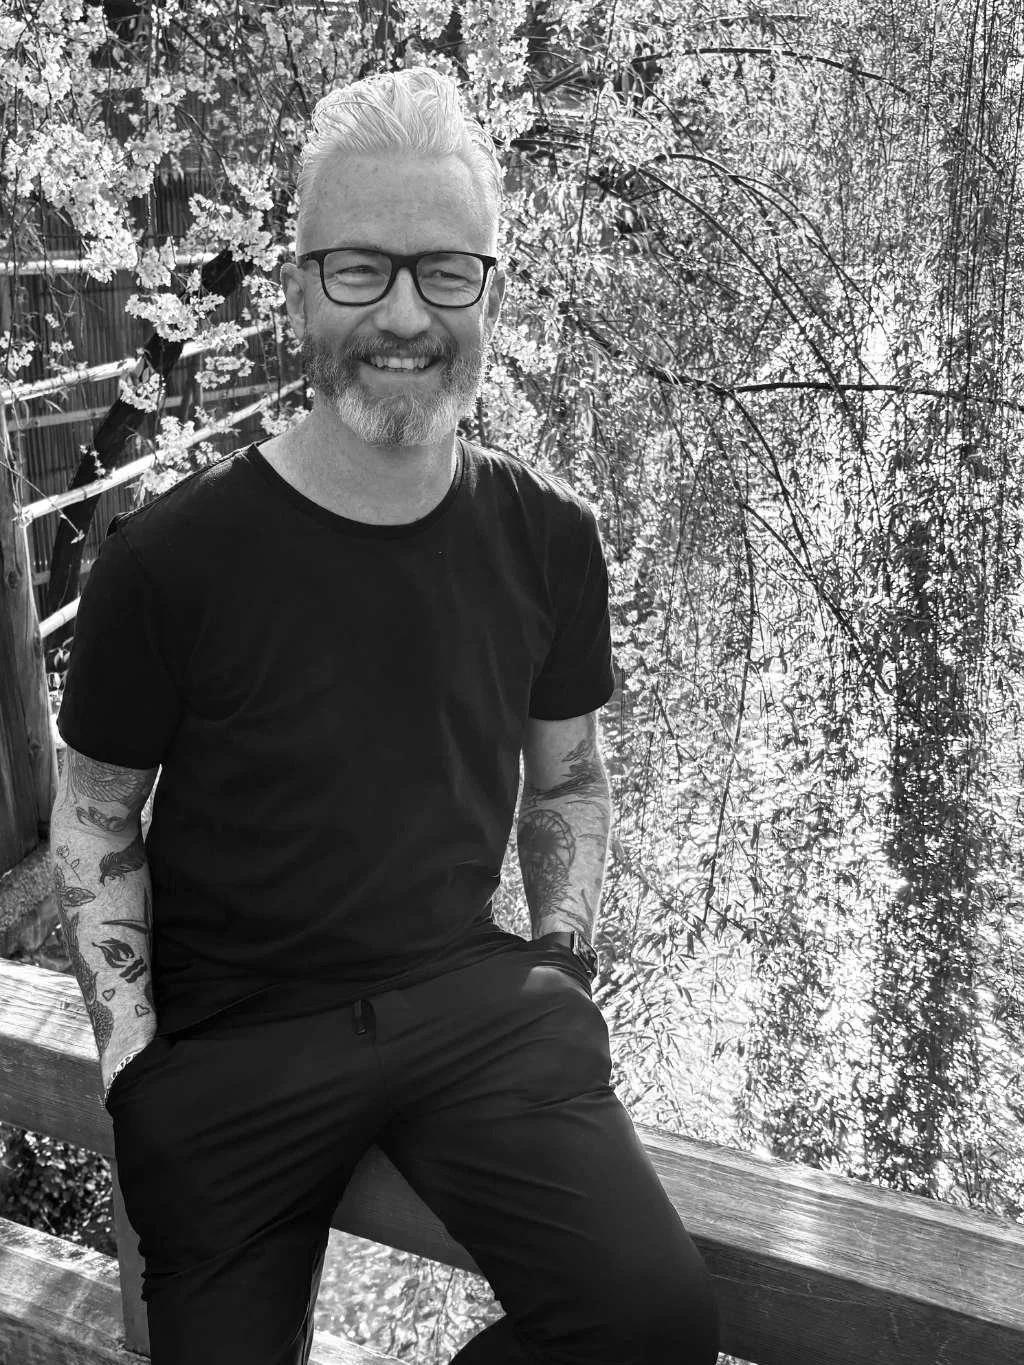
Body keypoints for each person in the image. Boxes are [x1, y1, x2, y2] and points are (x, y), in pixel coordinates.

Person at [51, 66, 720, 1365]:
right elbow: (92, 819)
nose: (405, 313)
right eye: (360, 270)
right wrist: (134, 1064)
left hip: (471, 1006)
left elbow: (570, 782)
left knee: (651, 1328)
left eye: (444, 271)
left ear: (492, 293)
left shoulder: (551, 543)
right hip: (232, 1049)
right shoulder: (167, 564)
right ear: (301, 290)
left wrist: (563, 961)